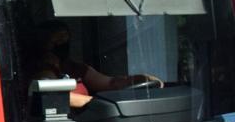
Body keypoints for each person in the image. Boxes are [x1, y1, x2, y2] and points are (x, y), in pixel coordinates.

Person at [33, 21, 162, 109]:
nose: (62, 42)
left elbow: (111, 83)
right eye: (56, 39)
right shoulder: (40, 70)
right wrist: (99, 104)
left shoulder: (77, 69)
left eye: (65, 37)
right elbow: (51, 95)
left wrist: (144, 80)